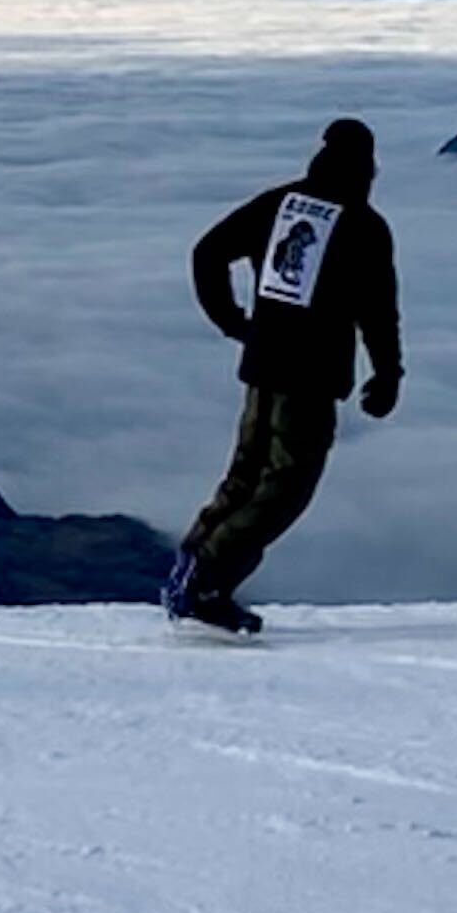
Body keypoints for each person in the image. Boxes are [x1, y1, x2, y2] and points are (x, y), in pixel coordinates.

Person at [166, 118, 404, 636]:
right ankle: (205, 583)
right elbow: (379, 314)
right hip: (311, 377)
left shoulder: (279, 204)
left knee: (244, 477)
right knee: (284, 489)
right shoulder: (364, 225)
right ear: (365, 168)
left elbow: (208, 253)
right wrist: (387, 377)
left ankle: (191, 569)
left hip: (263, 366)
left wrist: (232, 321)